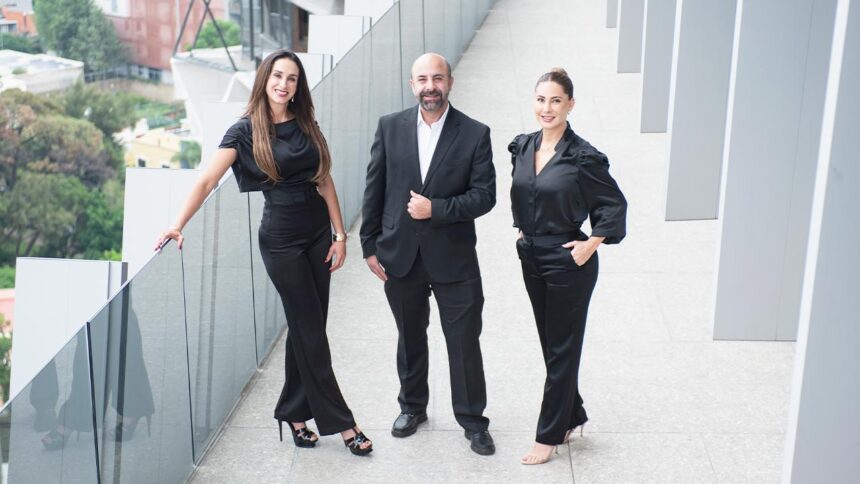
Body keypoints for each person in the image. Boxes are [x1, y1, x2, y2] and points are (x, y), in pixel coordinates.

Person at [155, 49, 372, 456]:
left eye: (291, 78)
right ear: (264, 79)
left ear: (297, 86)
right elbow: (206, 181)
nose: (283, 84)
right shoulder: (243, 131)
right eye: (277, 76)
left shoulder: (305, 122)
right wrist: (177, 223)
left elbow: (324, 179)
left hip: (317, 235)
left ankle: (292, 412)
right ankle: (344, 423)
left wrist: (340, 235)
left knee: (308, 326)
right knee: (310, 330)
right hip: (281, 240)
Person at [360, 53, 496, 456]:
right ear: (412, 85)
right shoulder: (390, 127)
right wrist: (369, 245)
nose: (430, 86)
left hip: (455, 258)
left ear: (450, 82)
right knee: (410, 336)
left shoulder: (475, 133)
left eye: (437, 78)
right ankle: (412, 408)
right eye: (422, 79)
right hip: (401, 254)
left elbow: (484, 196)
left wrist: (435, 208)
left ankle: (473, 422)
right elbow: (375, 187)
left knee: (464, 341)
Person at [509, 68, 627, 465]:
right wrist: (523, 231)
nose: (547, 108)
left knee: (562, 349)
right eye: (541, 99)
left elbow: (613, 204)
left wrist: (591, 243)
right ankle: (572, 414)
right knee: (552, 345)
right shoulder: (523, 146)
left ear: (570, 105)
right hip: (531, 257)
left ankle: (549, 435)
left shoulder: (583, 156)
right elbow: (524, 191)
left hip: (567, 261)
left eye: (556, 100)